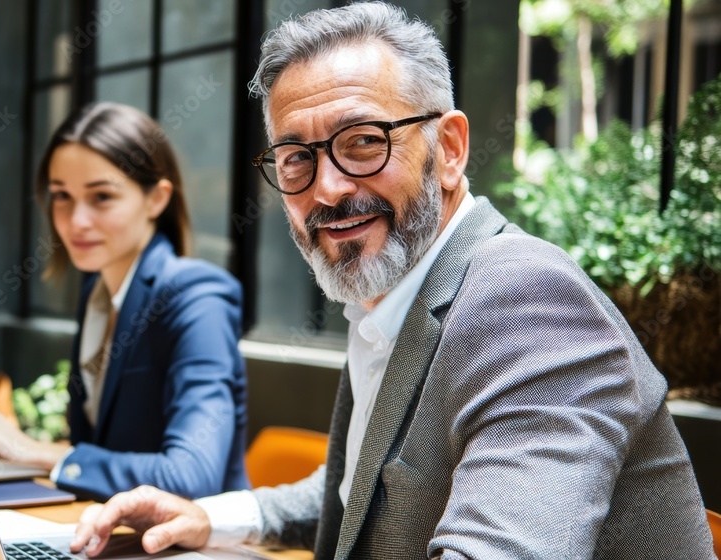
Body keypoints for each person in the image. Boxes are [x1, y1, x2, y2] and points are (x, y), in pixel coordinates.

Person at [68, 3, 716, 559]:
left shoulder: (526, 297)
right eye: (296, 158)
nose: (327, 188)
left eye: (363, 142)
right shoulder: (399, 288)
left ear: (451, 149)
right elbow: (363, 491)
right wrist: (212, 517)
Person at [0, 102, 250, 502]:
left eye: (101, 197)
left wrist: (43, 454)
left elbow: (191, 476)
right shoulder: (98, 293)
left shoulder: (198, 297)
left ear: (156, 199)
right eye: (61, 195)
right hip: (104, 530)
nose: (76, 220)